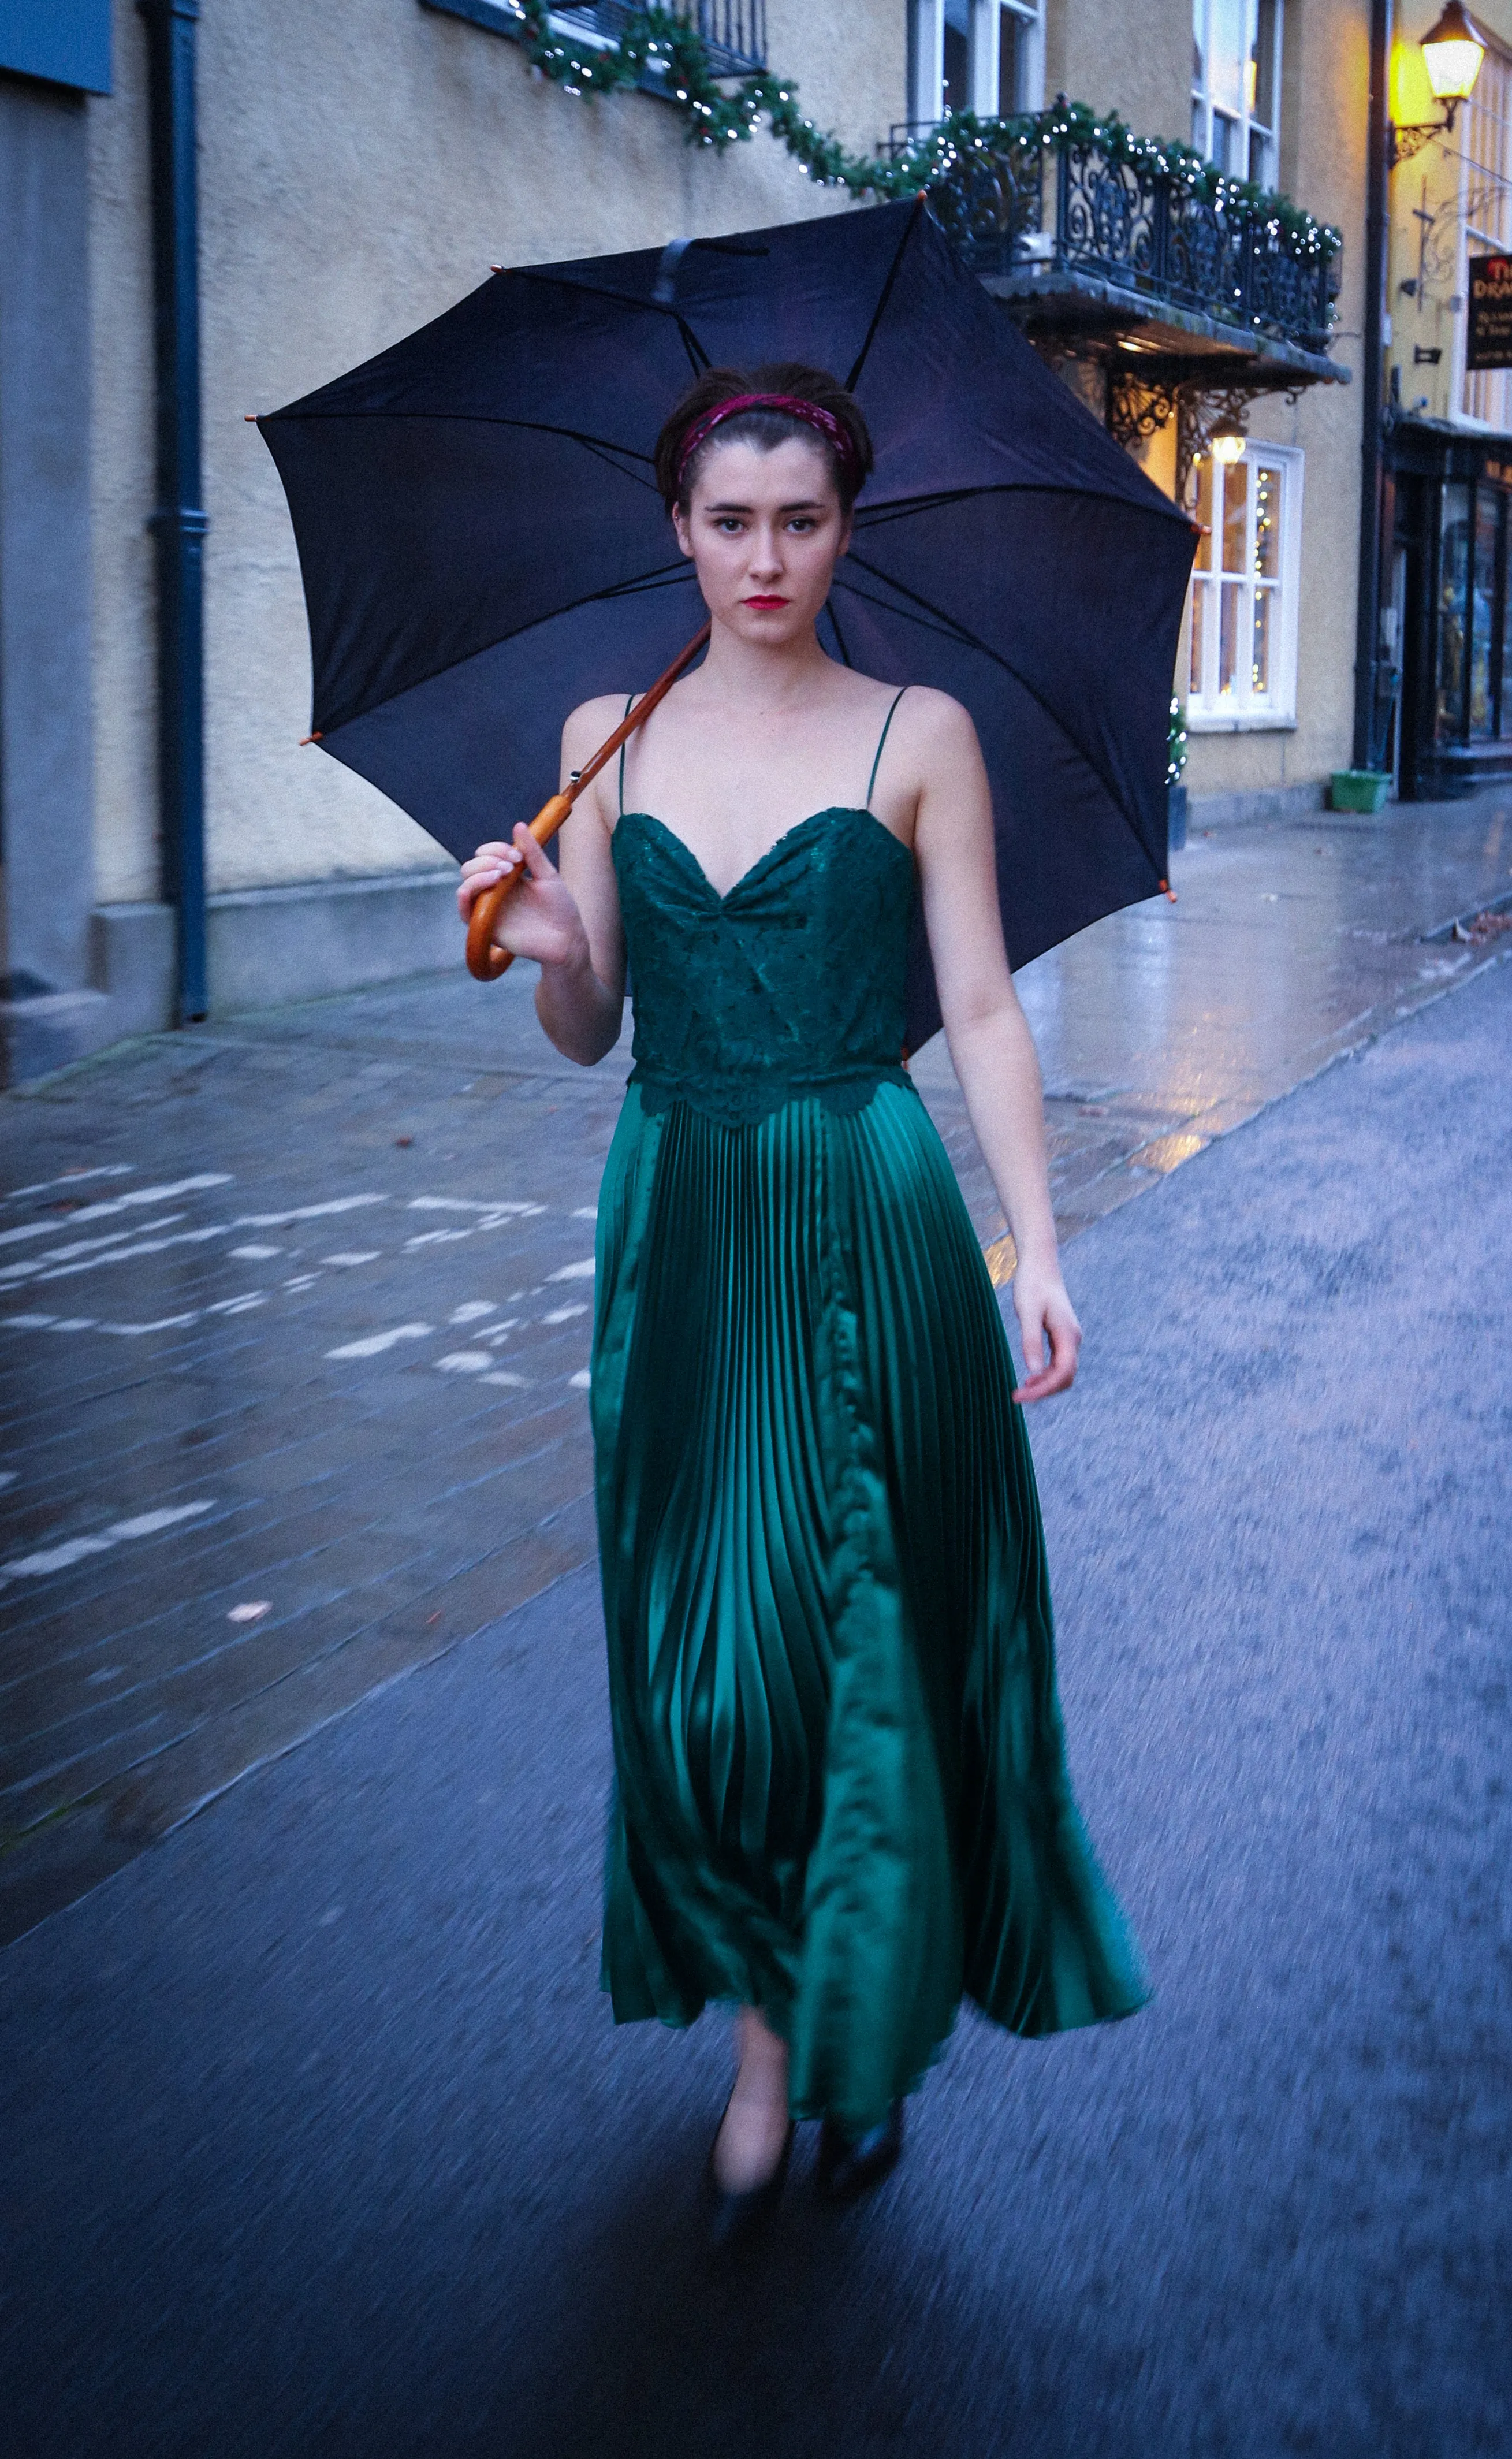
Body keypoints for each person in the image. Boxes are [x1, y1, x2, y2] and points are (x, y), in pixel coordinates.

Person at [458, 363, 1146, 2245]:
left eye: (803, 519)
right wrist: (553, 942)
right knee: (712, 1668)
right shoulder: (606, 738)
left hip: (866, 1207)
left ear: (848, 528)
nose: (766, 556)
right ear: (676, 527)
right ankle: (813, 2008)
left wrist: (1044, 1249)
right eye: (731, 520)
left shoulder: (921, 731)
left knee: (846, 1643)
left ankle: (795, 2044)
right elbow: (593, 1028)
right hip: (680, 1222)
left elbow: (983, 1009)